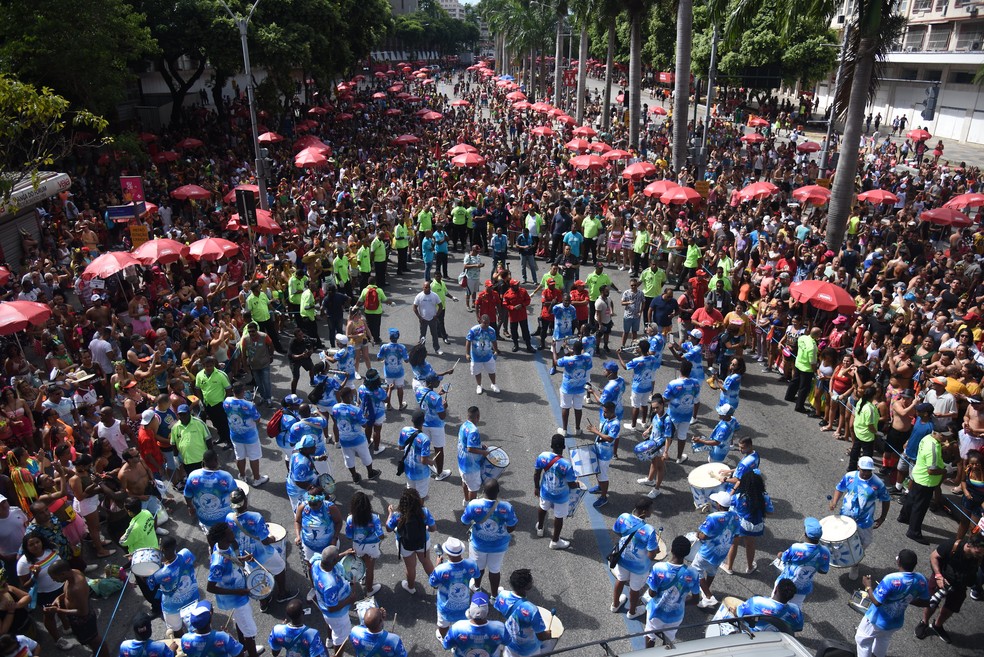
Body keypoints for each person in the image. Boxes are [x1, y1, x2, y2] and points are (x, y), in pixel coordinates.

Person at [228, 489, 296, 609]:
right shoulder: (256, 517)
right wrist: (273, 538)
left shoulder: (229, 518)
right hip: (264, 553)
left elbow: (232, 539)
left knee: (257, 577)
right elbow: (264, 540)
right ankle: (282, 594)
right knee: (280, 567)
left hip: (247, 556)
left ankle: (263, 603)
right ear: (245, 501)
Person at [854, 549, 929, 657]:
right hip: (895, 622)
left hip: (876, 621)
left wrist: (868, 585)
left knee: (863, 640)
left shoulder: (891, 579)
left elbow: (876, 602)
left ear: (898, 562)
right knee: (883, 639)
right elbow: (926, 602)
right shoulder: (921, 579)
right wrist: (906, 599)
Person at [206, 523, 263, 657]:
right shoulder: (218, 563)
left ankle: (242, 649)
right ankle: (252, 653)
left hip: (240, 594)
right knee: (250, 631)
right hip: (236, 600)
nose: (232, 532)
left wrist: (243, 559)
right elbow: (210, 587)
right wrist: (237, 592)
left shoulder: (224, 547)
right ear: (222, 538)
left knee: (241, 624)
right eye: (229, 532)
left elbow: (231, 560)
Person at [829, 456, 891, 578]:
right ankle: (838, 555)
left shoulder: (878, 483)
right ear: (858, 467)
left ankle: (855, 564)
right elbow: (839, 488)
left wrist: (882, 517)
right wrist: (834, 502)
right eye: (864, 470)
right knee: (842, 538)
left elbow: (886, 499)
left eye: (869, 470)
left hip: (864, 520)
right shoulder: (850, 476)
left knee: (865, 542)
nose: (867, 473)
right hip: (846, 516)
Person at [915, 534, 984, 644]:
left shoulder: (979, 556)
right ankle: (924, 622)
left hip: (960, 584)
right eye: (978, 552)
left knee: (951, 608)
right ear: (969, 545)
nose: (980, 555)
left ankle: (937, 625)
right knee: (931, 603)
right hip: (942, 578)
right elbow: (934, 556)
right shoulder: (952, 545)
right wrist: (938, 576)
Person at [461, 477, 517, 593]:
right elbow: (512, 527)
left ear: (483, 490)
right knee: (495, 570)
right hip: (499, 546)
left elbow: (464, 522)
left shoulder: (473, 505)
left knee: (479, 568)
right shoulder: (506, 507)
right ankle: (494, 596)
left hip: (478, 544)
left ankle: (476, 587)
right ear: (498, 491)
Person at [643, 535, 700, 647]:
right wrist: (680, 603)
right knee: (668, 641)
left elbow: (652, 593)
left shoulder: (658, 567)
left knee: (650, 635)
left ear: (672, 549)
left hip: (655, 613)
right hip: (675, 617)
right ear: (687, 553)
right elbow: (695, 600)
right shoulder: (693, 573)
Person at [610, 497, 661, 620]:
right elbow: (651, 555)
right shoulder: (649, 530)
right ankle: (632, 612)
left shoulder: (623, 517)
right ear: (644, 511)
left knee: (620, 579)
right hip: (639, 567)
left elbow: (617, 531)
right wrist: (656, 550)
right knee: (635, 589)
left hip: (622, 559)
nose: (652, 511)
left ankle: (615, 605)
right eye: (650, 509)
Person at [897, 430, 947, 544]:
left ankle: (903, 516)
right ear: (936, 433)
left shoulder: (927, 438)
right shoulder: (933, 448)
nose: (945, 439)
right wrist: (944, 471)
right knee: (920, 507)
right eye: (943, 435)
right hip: (926, 481)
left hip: (918, 475)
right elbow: (932, 470)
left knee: (911, 499)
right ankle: (913, 532)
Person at [46, 559, 106, 654]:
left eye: (54, 577)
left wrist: (58, 610)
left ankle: (102, 654)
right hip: (77, 616)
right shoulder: (73, 572)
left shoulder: (76, 588)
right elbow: (68, 594)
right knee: (91, 641)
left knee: (94, 640)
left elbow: (83, 612)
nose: (53, 580)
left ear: (63, 574)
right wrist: (59, 598)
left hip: (83, 619)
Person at [146, 535, 200, 639]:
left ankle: (183, 646)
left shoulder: (161, 573)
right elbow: (193, 562)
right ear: (176, 546)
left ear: (162, 549)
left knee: (176, 629)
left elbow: (150, 584)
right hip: (192, 597)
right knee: (197, 625)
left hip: (172, 606)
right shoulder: (185, 553)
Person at [693, 491, 739, 608]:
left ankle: (708, 596)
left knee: (695, 570)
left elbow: (704, 535)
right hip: (722, 551)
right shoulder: (735, 516)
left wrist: (697, 535)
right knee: (711, 572)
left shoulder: (713, 517)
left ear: (719, 505)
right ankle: (704, 594)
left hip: (708, 551)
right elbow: (737, 534)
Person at [385, 488, 436, 594]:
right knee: (426, 562)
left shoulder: (398, 515)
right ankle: (437, 583)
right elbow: (433, 528)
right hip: (423, 541)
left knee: (410, 567)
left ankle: (411, 587)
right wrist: (426, 528)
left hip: (405, 544)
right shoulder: (424, 512)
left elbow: (388, 528)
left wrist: (390, 513)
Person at [722, 470, 773, 575]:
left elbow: (726, 501)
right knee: (750, 545)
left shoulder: (739, 496)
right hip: (755, 525)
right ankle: (750, 567)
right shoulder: (764, 496)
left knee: (733, 545)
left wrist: (735, 487)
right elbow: (770, 512)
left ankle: (729, 566)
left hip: (739, 525)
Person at [310, 546, 360, 651]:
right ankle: (337, 652)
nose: (339, 557)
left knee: (331, 625)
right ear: (333, 561)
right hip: (337, 615)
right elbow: (331, 608)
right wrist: (350, 600)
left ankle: (329, 640)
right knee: (341, 638)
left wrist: (343, 553)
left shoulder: (316, 562)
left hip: (324, 607)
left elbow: (328, 559)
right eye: (337, 557)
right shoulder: (330, 584)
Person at [430, 537, 481, 639]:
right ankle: (460, 641)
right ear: (461, 552)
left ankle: (446, 640)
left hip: (445, 605)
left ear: (447, 553)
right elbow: (476, 575)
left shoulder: (441, 569)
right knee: (463, 626)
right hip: (464, 603)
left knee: (443, 625)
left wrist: (437, 566)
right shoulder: (471, 564)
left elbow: (433, 583)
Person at [534, 433, 578, 550]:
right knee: (559, 516)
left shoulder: (543, 457)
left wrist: (536, 487)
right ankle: (555, 541)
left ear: (551, 446)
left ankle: (540, 528)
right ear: (563, 447)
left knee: (543, 507)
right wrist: (577, 484)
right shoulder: (567, 465)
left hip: (545, 491)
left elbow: (536, 473)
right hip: (561, 496)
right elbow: (572, 484)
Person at [774, 517, 831, 607]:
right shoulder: (825, 552)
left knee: (776, 605)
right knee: (794, 609)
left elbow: (784, 558)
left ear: (805, 534)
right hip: (802, 589)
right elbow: (824, 571)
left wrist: (780, 555)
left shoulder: (796, 547)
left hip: (784, 584)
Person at [494, 568, 551, 657]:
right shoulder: (532, 610)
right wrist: (548, 634)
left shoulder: (502, 595)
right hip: (529, 650)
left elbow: (500, 612)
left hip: (510, 644)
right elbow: (541, 636)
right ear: (527, 586)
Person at [330, 387, 380, 482]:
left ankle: (355, 477)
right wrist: (365, 417)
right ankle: (370, 473)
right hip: (358, 440)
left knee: (348, 458)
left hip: (344, 440)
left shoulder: (335, 408)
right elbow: (364, 425)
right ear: (349, 396)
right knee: (365, 455)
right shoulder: (356, 410)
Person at [223, 384, 269, 486]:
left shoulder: (226, 401)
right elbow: (257, 420)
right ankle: (257, 479)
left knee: (239, 456)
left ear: (233, 391)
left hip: (235, 435)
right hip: (250, 437)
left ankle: (242, 476)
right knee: (253, 457)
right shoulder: (249, 405)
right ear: (243, 391)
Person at [183, 449, 236, 534]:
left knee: (210, 535)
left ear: (203, 461)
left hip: (204, 518)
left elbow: (187, 495)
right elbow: (235, 494)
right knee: (227, 536)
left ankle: (213, 547)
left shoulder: (193, 475)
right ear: (216, 460)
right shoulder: (225, 476)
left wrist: (190, 507)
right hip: (225, 518)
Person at [442, 591, 510, 657]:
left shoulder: (457, 627)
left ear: (470, 609)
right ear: (487, 611)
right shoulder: (500, 627)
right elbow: (507, 642)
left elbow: (446, 646)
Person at [343, 491, 384, 596]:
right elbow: (381, 536)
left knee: (359, 564)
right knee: (370, 568)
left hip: (358, 547)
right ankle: (369, 590)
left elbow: (348, 536)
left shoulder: (350, 519)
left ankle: (360, 581)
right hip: (372, 547)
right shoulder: (374, 518)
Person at [663, 361, 701, 464]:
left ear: (680, 369)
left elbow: (665, 398)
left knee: (668, 435)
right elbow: (696, 398)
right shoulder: (696, 383)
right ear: (690, 371)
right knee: (682, 435)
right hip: (687, 415)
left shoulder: (673, 383)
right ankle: (679, 458)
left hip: (673, 414)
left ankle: (664, 453)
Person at [732, 580, 804, 633]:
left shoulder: (756, 601)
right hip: (778, 640)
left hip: (754, 635)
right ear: (791, 597)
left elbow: (739, 613)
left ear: (775, 590)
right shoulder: (796, 610)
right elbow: (798, 628)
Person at [181, 600, 246, 657]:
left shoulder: (185, 639)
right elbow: (239, 653)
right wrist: (228, 635)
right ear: (210, 619)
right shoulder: (223, 637)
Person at [585, 402, 620, 507]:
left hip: (604, 455)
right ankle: (600, 487)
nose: (603, 414)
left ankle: (603, 497)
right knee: (598, 472)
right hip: (599, 450)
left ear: (612, 412)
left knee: (603, 476)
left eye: (605, 412)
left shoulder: (615, 424)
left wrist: (596, 431)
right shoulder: (608, 419)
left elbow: (610, 439)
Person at [417, 374, 451, 480]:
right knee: (438, 449)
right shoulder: (436, 398)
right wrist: (444, 407)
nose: (439, 383)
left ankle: (422, 468)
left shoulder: (419, 391)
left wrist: (438, 394)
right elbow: (442, 416)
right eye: (437, 381)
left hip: (423, 424)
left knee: (424, 447)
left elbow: (428, 399)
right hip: (436, 426)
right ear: (431, 383)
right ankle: (440, 474)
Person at [619, 339, 658, 432]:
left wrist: (619, 355)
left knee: (635, 406)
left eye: (638, 347)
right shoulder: (653, 358)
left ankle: (633, 426)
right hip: (648, 386)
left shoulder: (636, 360)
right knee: (644, 404)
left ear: (641, 349)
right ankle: (644, 422)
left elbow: (625, 367)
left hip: (637, 387)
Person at [194, 356, 232, 449]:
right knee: (215, 423)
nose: (209, 368)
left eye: (211, 365)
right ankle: (222, 437)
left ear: (214, 365)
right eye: (207, 366)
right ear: (203, 366)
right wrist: (200, 400)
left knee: (224, 423)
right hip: (207, 404)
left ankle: (229, 441)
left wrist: (225, 401)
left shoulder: (220, 375)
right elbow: (197, 388)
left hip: (219, 404)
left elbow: (228, 389)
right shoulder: (199, 375)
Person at [555, 341, 592, 437]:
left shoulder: (567, 360)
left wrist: (554, 351)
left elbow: (556, 362)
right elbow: (582, 354)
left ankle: (564, 430)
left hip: (567, 388)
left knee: (565, 407)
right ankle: (578, 429)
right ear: (582, 349)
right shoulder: (587, 357)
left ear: (574, 349)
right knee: (578, 408)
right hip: (580, 388)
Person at [398, 410, 434, 499]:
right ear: (423, 421)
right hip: (421, 473)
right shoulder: (425, 439)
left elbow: (400, 447)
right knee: (420, 497)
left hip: (408, 469)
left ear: (412, 420)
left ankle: (411, 511)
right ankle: (418, 512)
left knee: (411, 495)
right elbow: (424, 460)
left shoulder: (404, 430)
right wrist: (431, 462)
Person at [785, 326, 821, 413]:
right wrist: (815, 371)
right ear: (817, 335)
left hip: (798, 363)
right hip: (807, 369)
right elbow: (812, 362)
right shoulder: (812, 347)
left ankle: (789, 396)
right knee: (803, 388)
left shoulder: (802, 338)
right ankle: (799, 406)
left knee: (794, 381)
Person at [466, 314, 500, 395]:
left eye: (488, 323)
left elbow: (494, 341)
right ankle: (479, 385)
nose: (486, 325)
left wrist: (496, 351)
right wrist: (467, 353)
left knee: (492, 371)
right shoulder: (474, 330)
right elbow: (468, 341)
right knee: (477, 372)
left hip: (488, 356)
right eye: (485, 323)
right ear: (481, 321)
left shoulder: (491, 330)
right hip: (476, 356)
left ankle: (494, 384)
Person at [171, 404, 210, 474]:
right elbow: (173, 443)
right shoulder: (175, 428)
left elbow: (208, 439)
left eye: (184, 414)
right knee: (194, 481)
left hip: (201, 460)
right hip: (187, 461)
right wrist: (175, 456)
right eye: (180, 415)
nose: (182, 417)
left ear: (189, 413)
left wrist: (210, 455)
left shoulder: (199, 423)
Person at [377, 329, 410, 409]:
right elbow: (406, 360)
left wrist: (384, 359)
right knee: (400, 387)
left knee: (388, 388)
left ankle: (388, 405)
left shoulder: (384, 347)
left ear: (389, 337)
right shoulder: (402, 347)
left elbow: (379, 358)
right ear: (398, 337)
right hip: (399, 373)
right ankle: (400, 405)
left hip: (388, 373)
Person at [357, 369, 387, 454]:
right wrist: (390, 390)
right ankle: (376, 449)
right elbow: (386, 400)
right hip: (378, 414)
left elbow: (359, 400)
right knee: (377, 430)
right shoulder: (379, 390)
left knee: (368, 427)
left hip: (366, 413)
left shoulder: (361, 388)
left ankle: (368, 442)